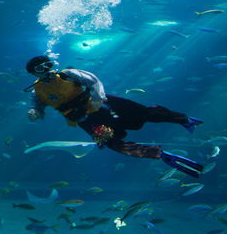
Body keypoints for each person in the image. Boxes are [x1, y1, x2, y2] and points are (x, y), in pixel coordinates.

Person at [25, 55, 204, 178]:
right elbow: (37, 108)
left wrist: (98, 99)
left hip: (104, 105)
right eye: (41, 68)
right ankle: (159, 154)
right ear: (34, 73)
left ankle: (184, 119)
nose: (47, 69)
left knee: (144, 114)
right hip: (86, 120)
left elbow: (93, 81)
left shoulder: (67, 74)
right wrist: (35, 113)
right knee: (111, 142)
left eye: (49, 65)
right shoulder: (37, 91)